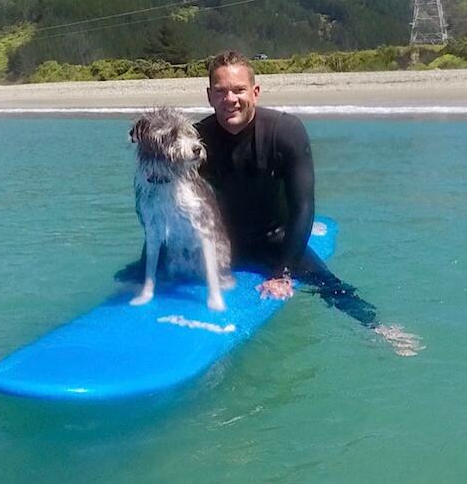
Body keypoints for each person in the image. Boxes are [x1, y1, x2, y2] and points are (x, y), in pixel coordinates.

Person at [117, 50, 423, 356]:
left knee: (330, 286)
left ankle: (379, 328)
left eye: (238, 90)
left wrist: (284, 272)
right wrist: (145, 266)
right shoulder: (198, 138)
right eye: (221, 92)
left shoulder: (285, 132)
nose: (230, 99)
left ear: (255, 92)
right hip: (224, 243)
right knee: (133, 274)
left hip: (275, 239)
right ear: (210, 96)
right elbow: (165, 204)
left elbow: (303, 205)